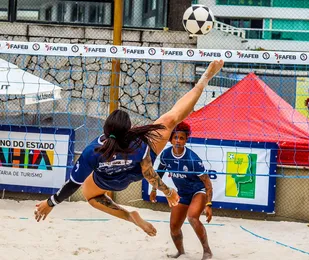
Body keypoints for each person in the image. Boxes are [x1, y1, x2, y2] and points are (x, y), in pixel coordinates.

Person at [34, 60, 224, 238]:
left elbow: (72, 184)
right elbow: (149, 174)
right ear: (129, 129)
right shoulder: (139, 143)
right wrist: (168, 192)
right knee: (171, 119)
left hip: (107, 182)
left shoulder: (93, 151)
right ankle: (204, 79)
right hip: (134, 173)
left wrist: (50, 203)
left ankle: (128, 215)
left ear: (105, 130)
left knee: (89, 195)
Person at [150, 121, 213, 259]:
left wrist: (208, 205)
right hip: (183, 193)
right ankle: (181, 252)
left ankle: (207, 251)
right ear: (171, 139)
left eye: (181, 138)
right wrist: (154, 190)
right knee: (174, 226)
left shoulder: (192, 159)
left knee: (192, 217)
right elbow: (158, 174)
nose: (178, 140)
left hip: (198, 191)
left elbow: (207, 183)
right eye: (175, 137)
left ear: (186, 140)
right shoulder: (166, 155)